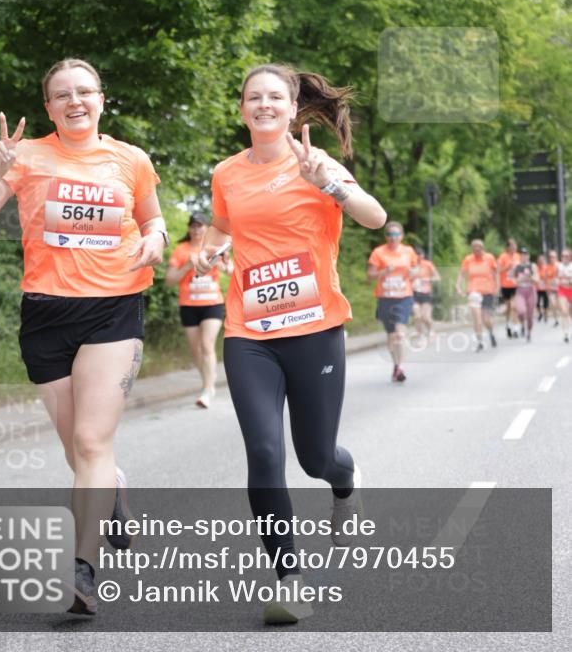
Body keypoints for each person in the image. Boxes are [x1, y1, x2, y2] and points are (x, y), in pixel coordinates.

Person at [0, 58, 168, 615]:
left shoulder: (130, 159)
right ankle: (112, 488)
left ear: (101, 98)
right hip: (46, 315)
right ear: (48, 107)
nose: (75, 101)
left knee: (92, 442)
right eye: (61, 95)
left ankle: (83, 570)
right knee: (79, 450)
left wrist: (158, 238)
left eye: (84, 91)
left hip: (114, 310)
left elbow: (153, 219)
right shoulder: (25, 157)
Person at [195, 64, 386, 625]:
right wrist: (210, 249)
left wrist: (326, 181)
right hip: (250, 334)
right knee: (264, 454)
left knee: (316, 457)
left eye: (274, 97)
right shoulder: (226, 173)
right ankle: (288, 578)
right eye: (253, 97)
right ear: (242, 109)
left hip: (316, 330)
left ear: (293, 107)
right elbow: (224, 227)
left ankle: (345, 483)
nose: (263, 105)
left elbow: (375, 218)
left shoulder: (317, 163)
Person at [165, 211, 232, 408]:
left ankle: (208, 389)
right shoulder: (181, 250)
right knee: (196, 350)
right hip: (189, 306)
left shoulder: (214, 248)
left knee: (206, 344)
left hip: (212, 304)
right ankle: (207, 382)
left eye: (200, 225)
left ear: (206, 228)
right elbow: (169, 281)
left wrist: (222, 265)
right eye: (193, 225)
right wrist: (186, 266)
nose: (196, 229)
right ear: (189, 228)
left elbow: (232, 271)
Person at [367, 222, 419, 382]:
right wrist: (383, 272)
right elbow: (369, 277)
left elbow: (416, 269)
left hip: (404, 297)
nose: (393, 238)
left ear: (401, 236)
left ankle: (400, 366)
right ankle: (396, 365)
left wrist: (413, 272)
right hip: (385, 298)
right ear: (386, 236)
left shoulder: (408, 251)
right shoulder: (378, 252)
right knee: (391, 336)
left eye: (396, 235)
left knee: (399, 333)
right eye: (390, 235)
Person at [456, 240, 499, 351]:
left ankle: (491, 333)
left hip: (487, 291)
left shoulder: (489, 258)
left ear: (482, 248)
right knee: (477, 318)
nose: (476, 251)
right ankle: (480, 341)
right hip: (473, 291)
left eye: (478, 248)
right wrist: (458, 286)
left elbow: (496, 273)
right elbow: (461, 274)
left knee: (486, 320)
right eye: (474, 248)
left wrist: (497, 287)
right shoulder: (468, 259)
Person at [411, 245, 440, 343]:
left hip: (426, 293)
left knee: (425, 316)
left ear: (423, 255)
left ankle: (432, 331)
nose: (419, 257)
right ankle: (420, 335)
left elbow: (437, 277)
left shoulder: (428, 264)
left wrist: (427, 279)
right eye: (416, 255)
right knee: (417, 315)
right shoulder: (410, 265)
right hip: (414, 292)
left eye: (420, 255)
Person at [509, 248, 539, 342]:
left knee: (530, 316)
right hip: (521, 290)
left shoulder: (532, 266)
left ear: (528, 256)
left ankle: (528, 332)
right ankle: (522, 324)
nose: (524, 256)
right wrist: (518, 280)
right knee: (521, 311)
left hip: (531, 290)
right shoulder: (517, 267)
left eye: (525, 254)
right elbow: (512, 279)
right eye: (522, 254)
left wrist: (529, 277)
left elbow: (537, 280)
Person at [497, 238, 519, 337]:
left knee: (514, 306)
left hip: (516, 285)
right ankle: (508, 324)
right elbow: (497, 270)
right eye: (512, 246)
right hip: (505, 285)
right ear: (508, 247)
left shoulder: (518, 256)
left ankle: (515, 328)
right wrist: (507, 267)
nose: (514, 247)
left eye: (515, 245)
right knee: (508, 307)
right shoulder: (502, 257)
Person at [556, 248, 572, 344]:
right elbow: (556, 278)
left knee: (570, 313)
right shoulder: (559, 266)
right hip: (562, 290)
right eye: (563, 256)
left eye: (566, 256)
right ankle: (565, 333)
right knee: (564, 311)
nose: (564, 258)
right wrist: (559, 281)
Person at [536, 253, 553, 322]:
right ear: (538, 261)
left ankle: (545, 315)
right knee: (537, 302)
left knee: (546, 302)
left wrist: (546, 276)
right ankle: (540, 313)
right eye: (539, 260)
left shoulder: (546, 267)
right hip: (537, 288)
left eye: (542, 260)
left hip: (545, 287)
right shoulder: (536, 268)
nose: (541, 261)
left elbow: (549, 275)